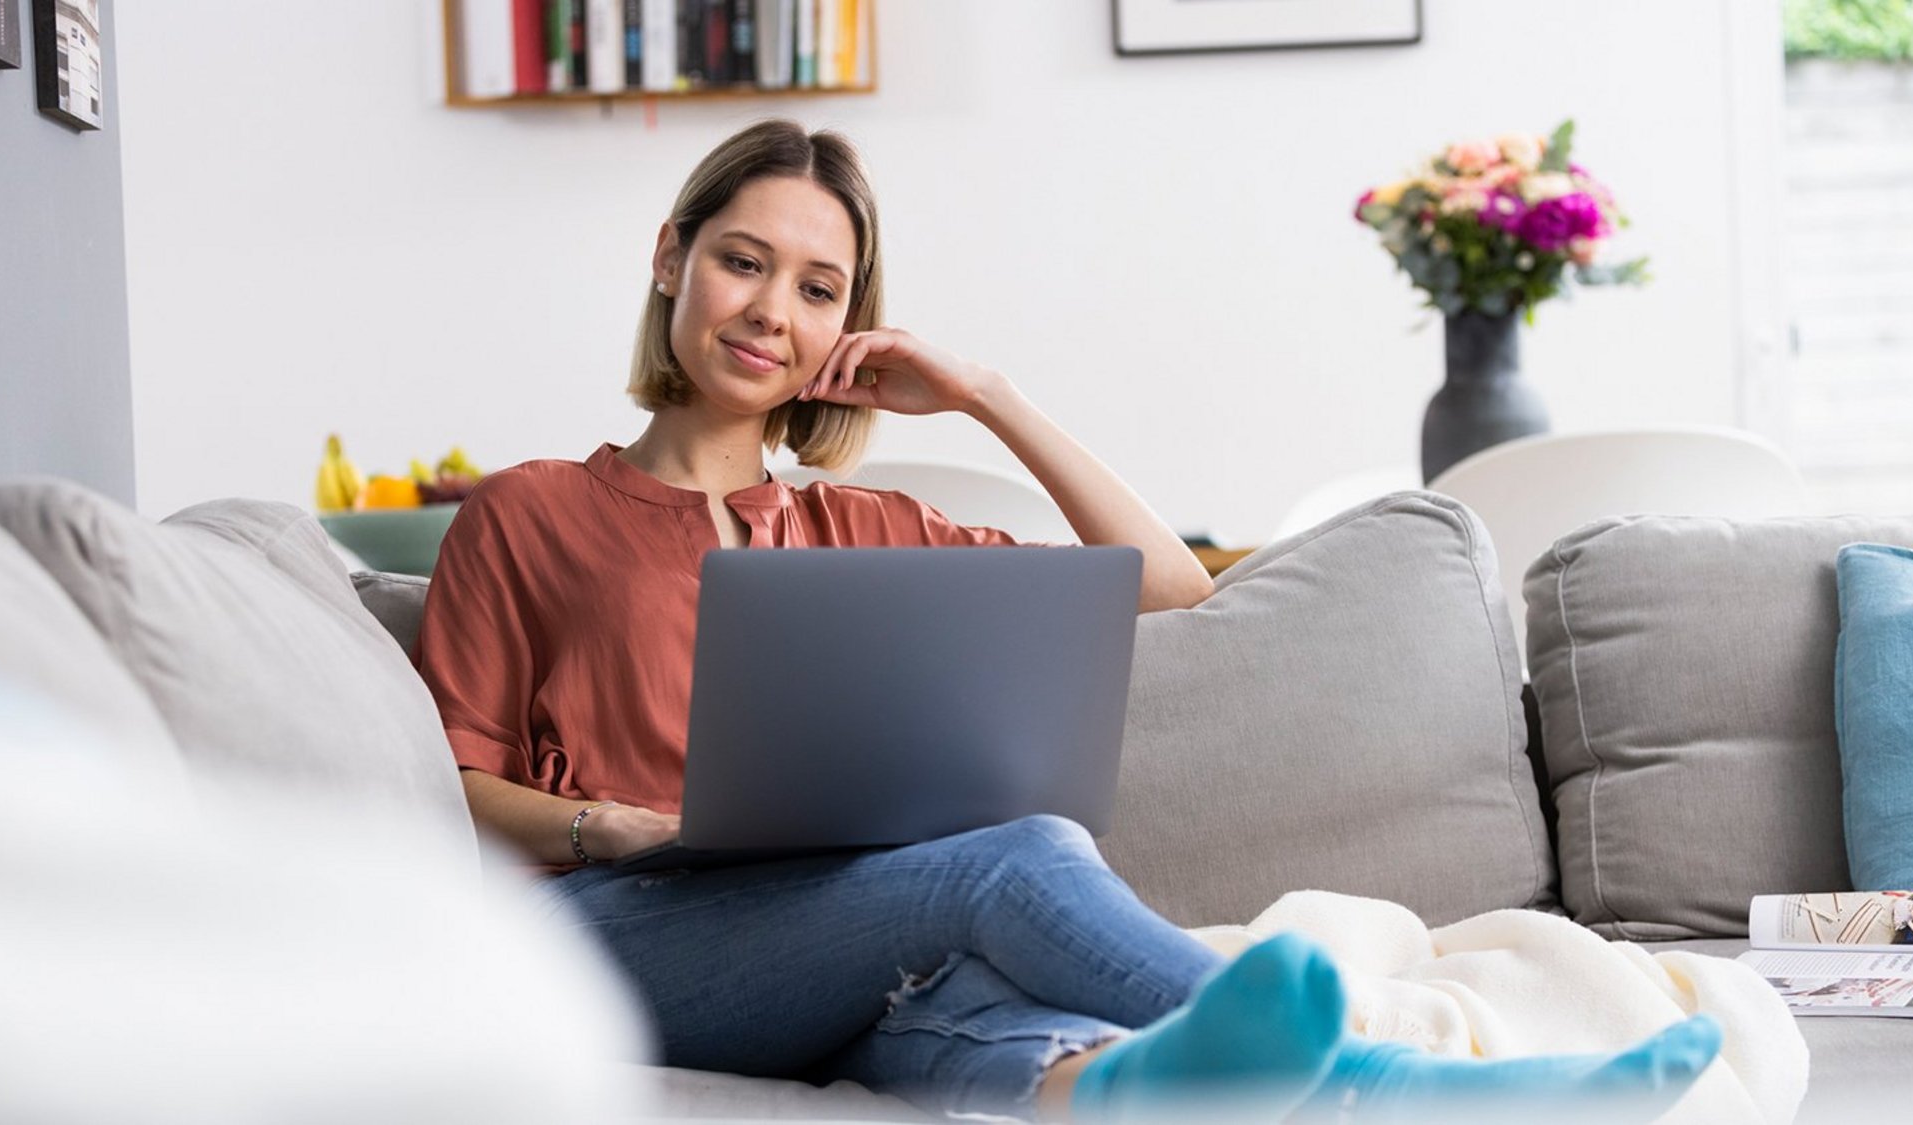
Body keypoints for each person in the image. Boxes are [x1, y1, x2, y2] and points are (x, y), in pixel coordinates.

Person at [412, 119, 1723, 1123]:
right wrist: (607, 820)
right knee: (1012, 855)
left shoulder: (867, 529)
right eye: (743, 263)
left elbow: (1171, 589)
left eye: (820, 288)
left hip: (823, 930)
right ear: (671, 260)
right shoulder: (527, 510)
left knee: (1001, 1025)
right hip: (609, 936)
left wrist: (987, 394)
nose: (772, 309)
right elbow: (455, 774)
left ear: (848, 325)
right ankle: (1384, 1074)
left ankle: (1229, 1093)